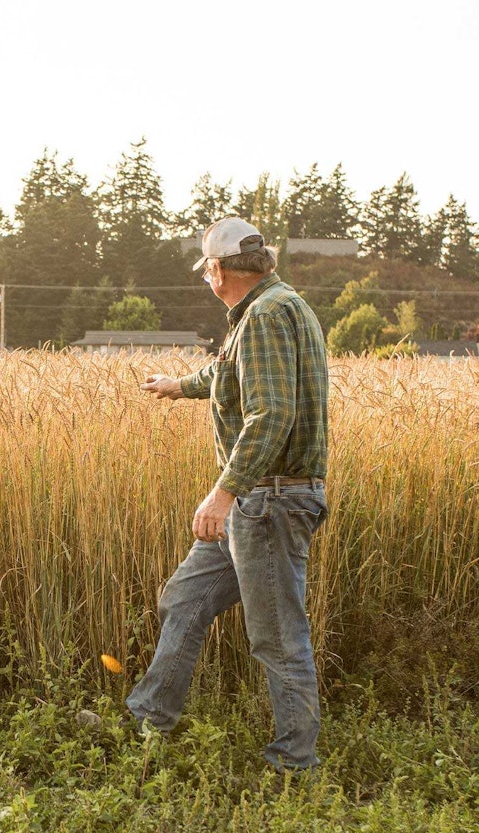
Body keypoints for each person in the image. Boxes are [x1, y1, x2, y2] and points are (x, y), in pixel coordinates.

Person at [127, 217, 331, 772]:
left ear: (218, 271)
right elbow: (236, 379)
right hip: (257, 501)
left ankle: (294, 767)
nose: (207, 279)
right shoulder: (276, 305)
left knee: (278, 639)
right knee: (184, 599)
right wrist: (179, 386)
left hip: (267, 501)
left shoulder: (264, 317)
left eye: (206, 270)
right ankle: (149, 722)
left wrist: (223, 493)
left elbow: (271, 414)